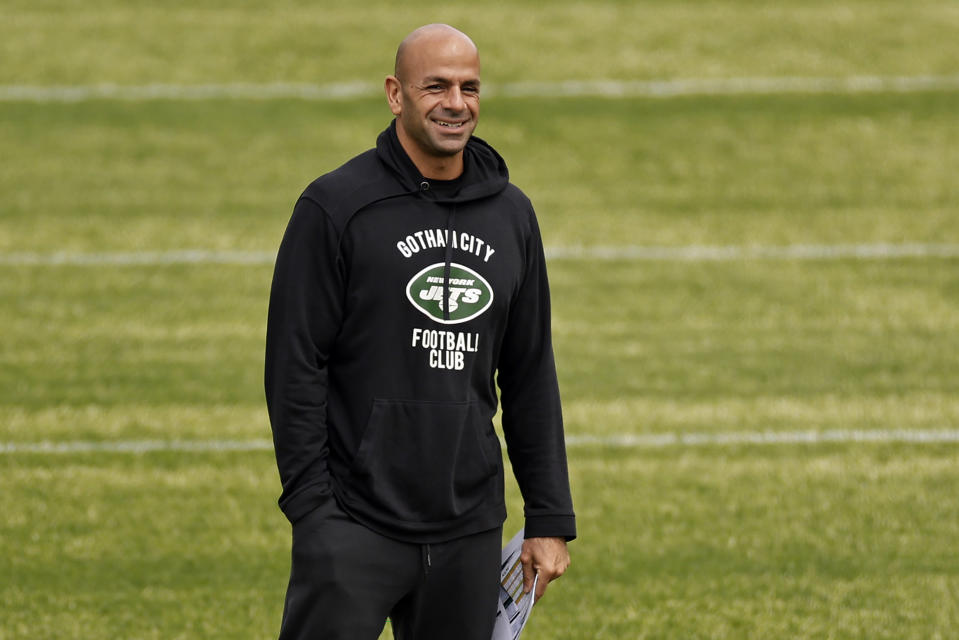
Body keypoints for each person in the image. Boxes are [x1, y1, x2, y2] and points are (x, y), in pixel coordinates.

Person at [264, 23, 575, 640]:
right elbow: (295, 365)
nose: (455, 104)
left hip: (469, 527)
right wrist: (313, 511)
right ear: (395, 93)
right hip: (353, 524)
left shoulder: (512, 214)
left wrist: (549, 516)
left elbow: (530, 369)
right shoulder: (336, 207)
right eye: (435, 87)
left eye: (469, 88)